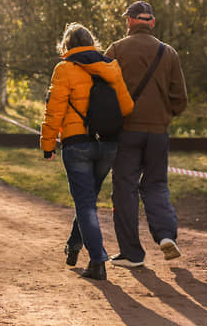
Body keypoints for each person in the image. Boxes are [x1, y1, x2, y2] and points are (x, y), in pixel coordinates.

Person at [40, 23, 134, 281]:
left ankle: (97, 260)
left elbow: (54, 111)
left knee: (85, 203)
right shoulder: (110, 67)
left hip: (77, 143)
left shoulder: (64, 69)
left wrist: (47, 144)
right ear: (92, 42)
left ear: (67, 45)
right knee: (87, 200)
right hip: (108, 145)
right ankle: (73, 245)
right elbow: (126, 107)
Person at [105, 1, 188, 268]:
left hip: (126, 132)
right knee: (156, 185)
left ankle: (132, 253)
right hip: (158, 133)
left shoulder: (116, 49)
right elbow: (180, 99)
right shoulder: (169, 53)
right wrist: (162, 116)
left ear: (129, 21)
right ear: (151, 22)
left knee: (125, 190)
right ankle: (165, 235)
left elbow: (103, 91)